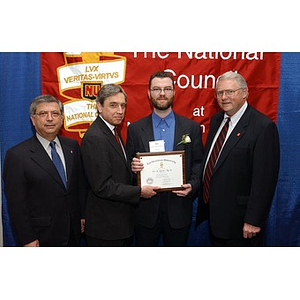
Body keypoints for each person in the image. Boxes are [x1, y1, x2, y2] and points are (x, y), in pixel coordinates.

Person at [196, 71, 280, 246]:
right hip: (216, 218)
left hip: (242, 223)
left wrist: (253, 220)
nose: (224, 97)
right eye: (220, 93)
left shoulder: (263, 127)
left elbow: (264, 179)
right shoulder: (217, 119)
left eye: (230, 92)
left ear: (244, 92)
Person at [126, 71, 203, 246]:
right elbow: (127, 166)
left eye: (167, 88)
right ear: (148, 93)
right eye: (157, 89)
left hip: (179, 209)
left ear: (174, 92)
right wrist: (133, 168)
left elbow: (199, 162)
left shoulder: (191, 128)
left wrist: (193, 184)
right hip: (146, 212)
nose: (162, 93)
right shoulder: (135, 129)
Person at [80, 83, 159, 247]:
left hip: (118, 224)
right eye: (113, 105)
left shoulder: (112, 131)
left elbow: (113, 169)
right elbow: (102, 186)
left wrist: (131, 168)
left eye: (123, 105)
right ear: (99, 107)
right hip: (106, 228)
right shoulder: (96, 137)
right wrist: (139, 192)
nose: (120, 111)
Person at [3, 94, 86, 247]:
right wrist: (27, 238)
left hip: (72, 232)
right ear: (33, 120)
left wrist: (81, 216)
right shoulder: (17, 155)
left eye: (55, 114)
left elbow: (78, 186)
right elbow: (16, 205)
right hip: (41, 236)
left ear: (62, 119)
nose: (50, 118)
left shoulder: (72, 146)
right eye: (43, 114)